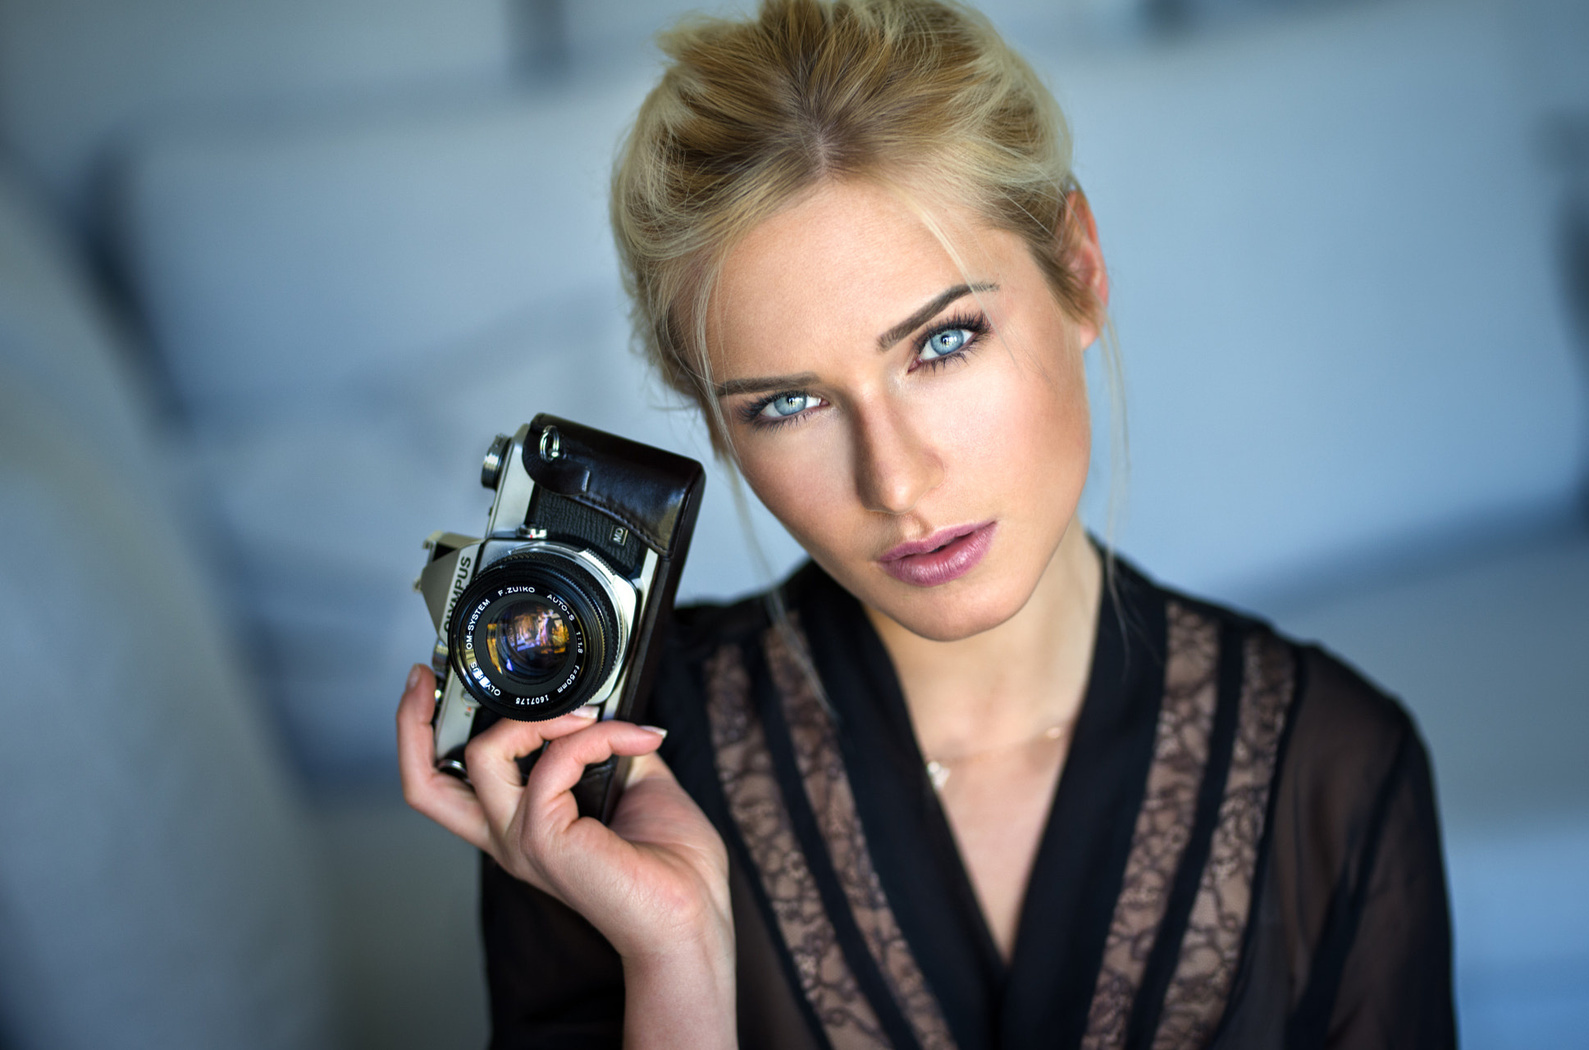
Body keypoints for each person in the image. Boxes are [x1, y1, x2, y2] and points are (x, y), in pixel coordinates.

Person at [397, 1, 1457, 1046]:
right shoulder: (598, 765)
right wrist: (674, 958)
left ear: (1079, 270)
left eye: (943, 344)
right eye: (787, 403)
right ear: (719, 430)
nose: (896, 480)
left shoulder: (1337, 771)